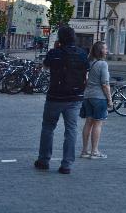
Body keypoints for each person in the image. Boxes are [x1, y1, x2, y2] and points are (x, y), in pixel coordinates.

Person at [35, 26, 89, 174]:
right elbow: (86, 74)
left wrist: (54, 50)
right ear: (73, 37)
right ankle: (66, 165)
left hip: (55, 97)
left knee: (48, 127)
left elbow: (44, 67)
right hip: (75, 97)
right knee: (71, 130)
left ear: (60, 38)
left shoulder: (54, 53)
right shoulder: (82, 54)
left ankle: (44, 160)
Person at [80, 42, 112, 159]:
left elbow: (85, 79)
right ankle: (94, 151)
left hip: (87, 96)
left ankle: (84, 151)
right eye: (105, 48)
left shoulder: (90, 62)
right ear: (100, 51)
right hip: (99, 97)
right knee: (98, 124)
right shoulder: (103, 64)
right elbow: (105, 84)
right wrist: (110, 99)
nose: (107, 50)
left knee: (88, 123)